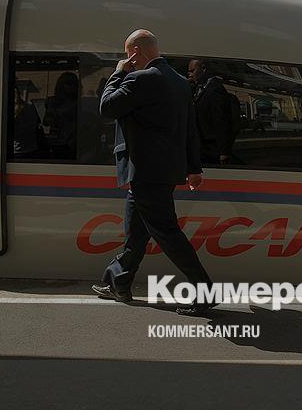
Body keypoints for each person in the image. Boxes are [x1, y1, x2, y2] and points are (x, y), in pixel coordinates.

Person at [91, 30, 213, 315]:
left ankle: (204, 292)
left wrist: (118, 72)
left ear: (135, 53)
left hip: (146, 172)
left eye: (127, 55)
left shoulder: (140, 79)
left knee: (168, 233)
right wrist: (194, 168)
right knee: (136, 232)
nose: (126, 60)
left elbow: (107, 107)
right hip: (165, 171)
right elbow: (190, 130)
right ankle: (118, 283)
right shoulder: (180, 82)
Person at [187, 59, 240, 165]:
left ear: (203, 69)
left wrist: (223, 151)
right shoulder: (200, 88)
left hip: (211, 148)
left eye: (192, 71)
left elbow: (221, 120)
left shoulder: (215, 89)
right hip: (202, 145)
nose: (189, 74)